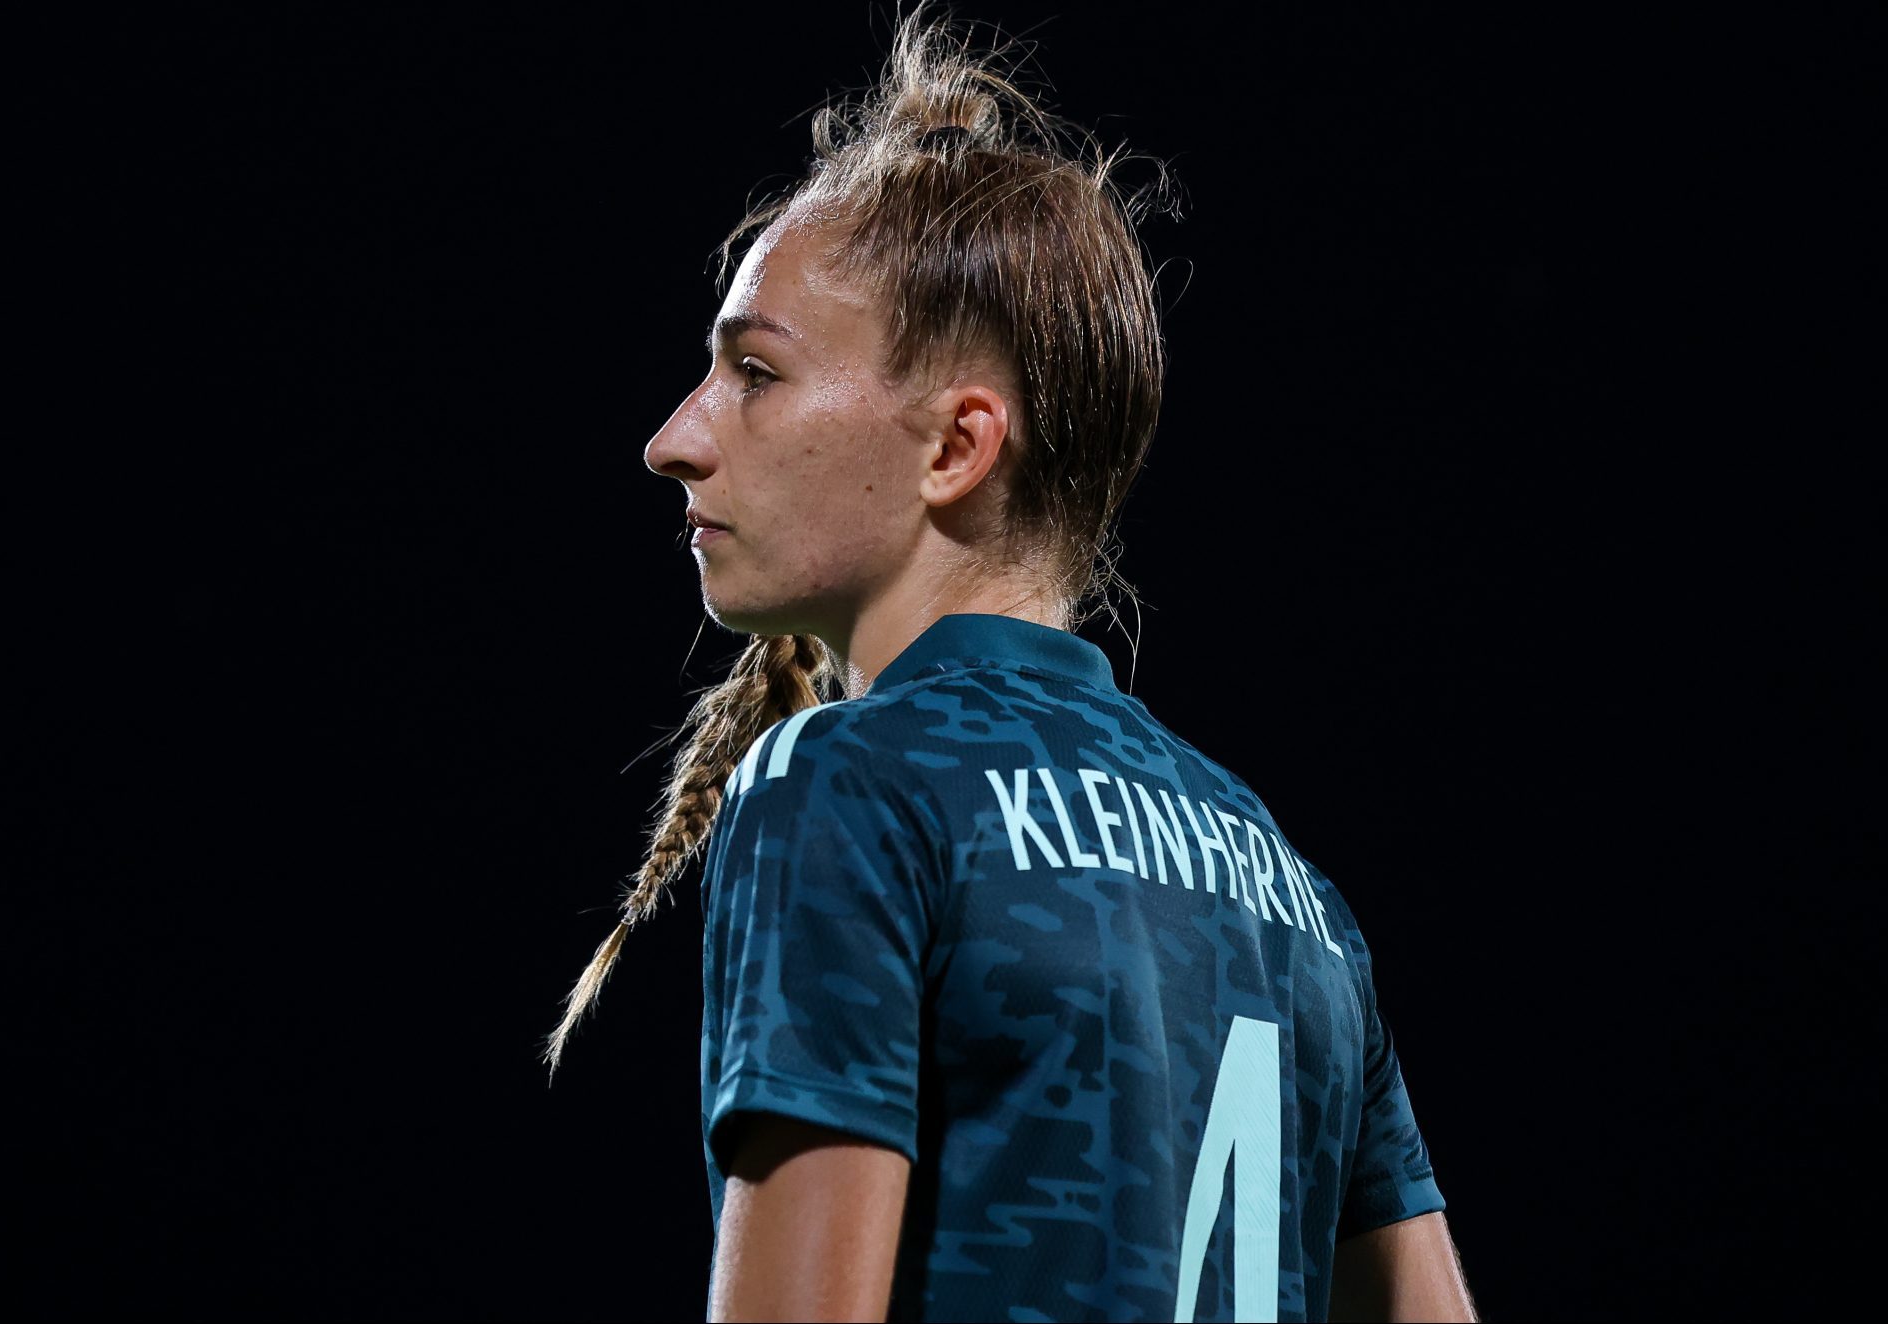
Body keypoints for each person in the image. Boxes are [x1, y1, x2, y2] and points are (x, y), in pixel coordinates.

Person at [541, 8, 1478, 1322]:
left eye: (752, 371)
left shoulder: (849, 786)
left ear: (953, 446)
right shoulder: (1291, 890)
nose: (674, 438)